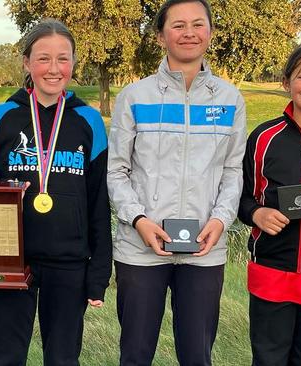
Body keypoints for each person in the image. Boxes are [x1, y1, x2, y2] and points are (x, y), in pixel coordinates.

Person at [106, 0, 247, 364]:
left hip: (204, 248)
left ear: (210, 33)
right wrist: (138, 220)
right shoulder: (134, 96)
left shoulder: (230, 99)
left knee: (197, 355)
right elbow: (117, 171)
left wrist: (220, 221)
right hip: (140, 248)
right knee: (135, 354)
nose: (189, 33)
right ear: (160, 35)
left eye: (198, 24)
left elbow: (233, 171)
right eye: (178, 25)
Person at [0, 18, 111, 365]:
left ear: (74, 64)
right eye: (43, 58)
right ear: (26, 63)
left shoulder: (89, 122)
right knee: (4, 357)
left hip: (69, 263)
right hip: (11, 263)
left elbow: (98, 200)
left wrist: (99, 271)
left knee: (62, 359)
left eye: (63, 58)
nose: (53, 69)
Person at [238, 41, 301, 366]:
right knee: (268, 359)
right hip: (271, 274)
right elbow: (242, 198)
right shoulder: (263, 137)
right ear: (287, 82)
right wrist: (257, 213)